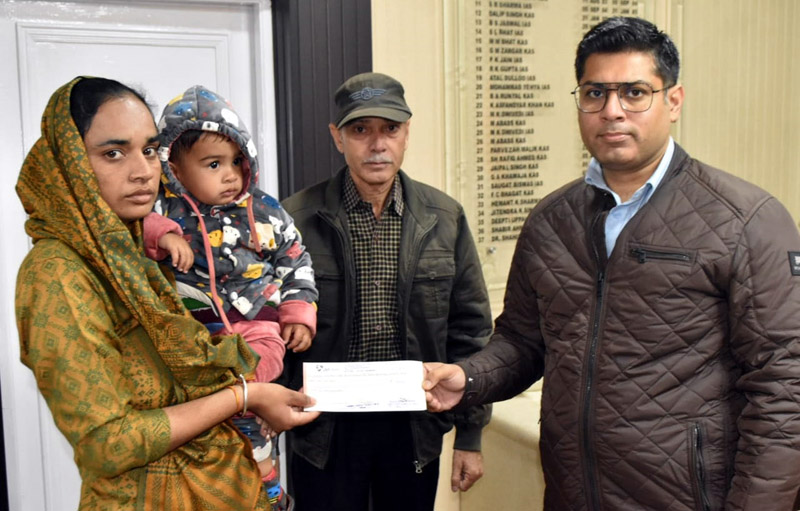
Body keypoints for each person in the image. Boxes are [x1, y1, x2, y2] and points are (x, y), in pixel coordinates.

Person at [424, 16, 800, 511]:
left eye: (635, 93)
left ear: (674, 101)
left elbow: (783, 386)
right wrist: (469, 377)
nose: (612, 111)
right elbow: (523, 341)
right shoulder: (550, 221)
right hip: (572, 494)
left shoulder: (745, 219)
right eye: (595, 93)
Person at [15, 76, 319, 510]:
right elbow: (108, 444)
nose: (143, 171)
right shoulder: (58, 274)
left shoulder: (133, 251)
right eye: (113, 153)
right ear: (68, 162)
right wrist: (246, 396)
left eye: (149, 150)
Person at [281, 72, 493, 511]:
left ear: (406, 134)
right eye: (360, 129)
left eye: (390, 129)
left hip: (412, 425)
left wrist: (470, 435)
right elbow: (272, 328)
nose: (377, 144)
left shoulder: (444, 218)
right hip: (325, 429)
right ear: (337, 137)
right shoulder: (296, 220)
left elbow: (471, 331)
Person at [143, 84, 318, 511]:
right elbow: (132, 227)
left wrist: (298, 311)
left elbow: (294, 257)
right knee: (204, 410)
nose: (230, 175)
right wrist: (163, 236)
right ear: (174, 169)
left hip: (256, 324)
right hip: (198, 333)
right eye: (213, 164)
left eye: (237, 161)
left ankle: (267, 478)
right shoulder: (163, 209)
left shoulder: (265, 209)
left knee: (258, 380)